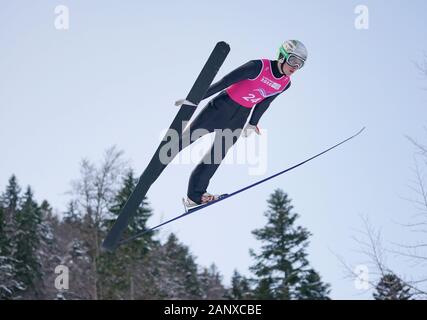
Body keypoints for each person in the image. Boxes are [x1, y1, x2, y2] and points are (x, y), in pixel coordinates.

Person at [175, 40, 308, 209]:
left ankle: (195, 196)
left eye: (300, 64)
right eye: (293, 60)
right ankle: (164, 154)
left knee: (217, 155)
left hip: (239, 118)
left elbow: (265, 102)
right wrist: (196, 98)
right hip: (221, 107)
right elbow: (224, 82)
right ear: (282, 56)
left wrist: (253, 123)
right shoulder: (257, 67)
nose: (295, 67)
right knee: (189, 137)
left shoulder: (285, 84)